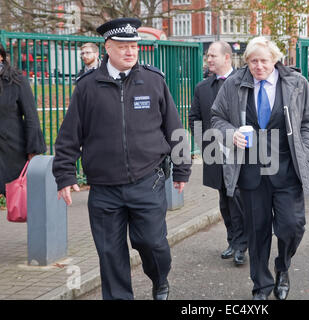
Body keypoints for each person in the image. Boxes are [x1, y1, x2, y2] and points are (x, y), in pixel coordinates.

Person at [52, 17, 191, 300]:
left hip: (147, 181)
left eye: (134, 46)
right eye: (123, 46)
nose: (130, 51)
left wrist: (182, 169)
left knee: (152, 244)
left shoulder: (153, 81)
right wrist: (64, 175)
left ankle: (159, 278)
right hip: (104, 189)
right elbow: (69, 136)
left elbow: (174, 128)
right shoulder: (87, 87)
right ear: (107, 48)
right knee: (110, 255)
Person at [211, 37, 309, 300]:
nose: (258, 66)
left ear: (275, 60)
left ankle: (283, 267)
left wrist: (304, 151)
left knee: (291, 226)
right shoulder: (234, 84)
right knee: (257, 231)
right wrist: (231, 134)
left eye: (264, 61)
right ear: (246, 61)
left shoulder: (296, 83)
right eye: (253, 61)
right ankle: (261, 285)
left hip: (286, 169)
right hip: (250, 172)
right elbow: (216, 117)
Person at [189, 41, 247, 266]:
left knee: (240, 199)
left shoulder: (244, 83)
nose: (208, 59)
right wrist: (203, 146)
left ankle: (243, 244)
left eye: (213, 55)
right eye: (207, 56)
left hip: (243, 154)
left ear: (227, 57)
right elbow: (194, 118)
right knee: (224, 200)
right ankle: (232, 241)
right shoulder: (202, 87)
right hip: (215, 154)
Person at [0, 43, 46, 197]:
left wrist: (33, 150)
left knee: (22, 201)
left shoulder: (17, 80)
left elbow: (31, 117)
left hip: (12, 151)